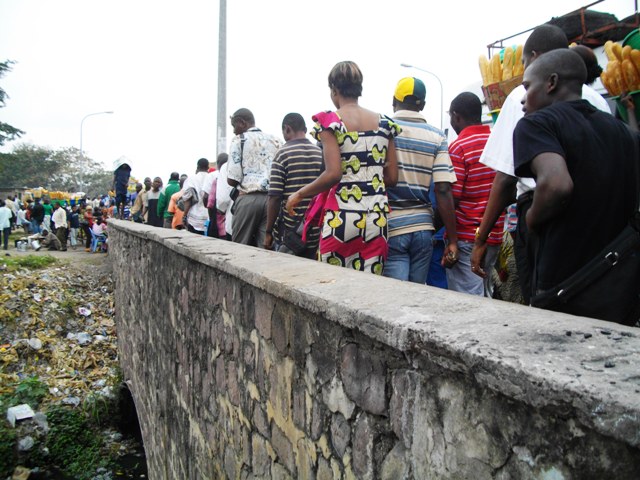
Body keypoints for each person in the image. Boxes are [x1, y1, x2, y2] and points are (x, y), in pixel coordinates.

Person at [471, 24, 612, 303]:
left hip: (542, 217)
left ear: (535, 58)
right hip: (594, 221)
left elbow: (506, 179)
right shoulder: (600, 102)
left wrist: (482, 236)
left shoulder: (523, 101)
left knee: (528, 301)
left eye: (524, 65)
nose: (524, 88)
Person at [513, 48, 639, 317]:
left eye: (527, 87)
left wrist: (531, 219)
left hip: (563, 286)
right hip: (619, 286)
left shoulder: (536, 124)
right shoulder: (624, 132)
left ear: (551, 83)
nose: (523, 100)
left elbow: (556, 185)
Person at [286, 61, 400, 274]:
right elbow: (392, 177)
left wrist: (299, 194)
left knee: (332, 283)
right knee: (370, 287)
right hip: (376, 217)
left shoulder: (330, 122)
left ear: (334, 90)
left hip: (342, 216)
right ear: (359, 89)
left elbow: (333, 174)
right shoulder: (385, 124)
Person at [383, 77, 458, 283]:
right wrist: (452, 241)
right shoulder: (437, 137)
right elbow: (443, 189)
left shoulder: (384, 131)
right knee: (416, 299)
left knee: (396, 301)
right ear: (422, 105)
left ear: (393, 100)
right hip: (424, 230)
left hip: (392, 226)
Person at [446, 92, 504, 296]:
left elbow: (453, 197)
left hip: (467, 236)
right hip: (494, 234)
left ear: (456, 116)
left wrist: (449, 237)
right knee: (485, 291)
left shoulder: (459, 147)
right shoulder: (497, 143)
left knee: (467, 299)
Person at [266, 113, 323, 258]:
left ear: (287, 129)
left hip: (290, 237)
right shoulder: (320, 153)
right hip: (316, 233)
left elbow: (274, 197)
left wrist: (268, 232)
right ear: (304, 128)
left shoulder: (282, 154)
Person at [227, 108, 281, 247]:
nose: (234, 131)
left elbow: (232, 179)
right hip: (272, 201)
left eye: (234, 126)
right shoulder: (276, 140)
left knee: (240, 249)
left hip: (248, 199)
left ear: (242, 123)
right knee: (265, 250)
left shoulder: (239, 140)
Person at [182, 158, 211, 235]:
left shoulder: (191, 179)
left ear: (197, 167)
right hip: (209, 218)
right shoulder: (212, 178)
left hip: (194, 219)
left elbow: (187, 200)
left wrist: (184, 215)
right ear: (208, 167)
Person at [206, 155, 228, 238]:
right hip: (232, 227)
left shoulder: (217, 180)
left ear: (218, 164)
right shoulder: (237, 179)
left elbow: (210, 204)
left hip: (219, 228)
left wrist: (212, 219)